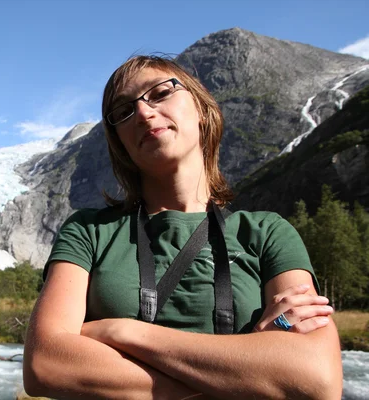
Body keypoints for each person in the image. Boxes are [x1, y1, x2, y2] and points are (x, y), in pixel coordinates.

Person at [23, 54, 342, 399]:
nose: (144, 112)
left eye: (160, 93)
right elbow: (46, 364)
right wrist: (249, 372)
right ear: (121, 144)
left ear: (202, 109)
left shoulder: (267, 232)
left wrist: (124, 332)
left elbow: (318, 379)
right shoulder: (88, 231)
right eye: (123, 112)